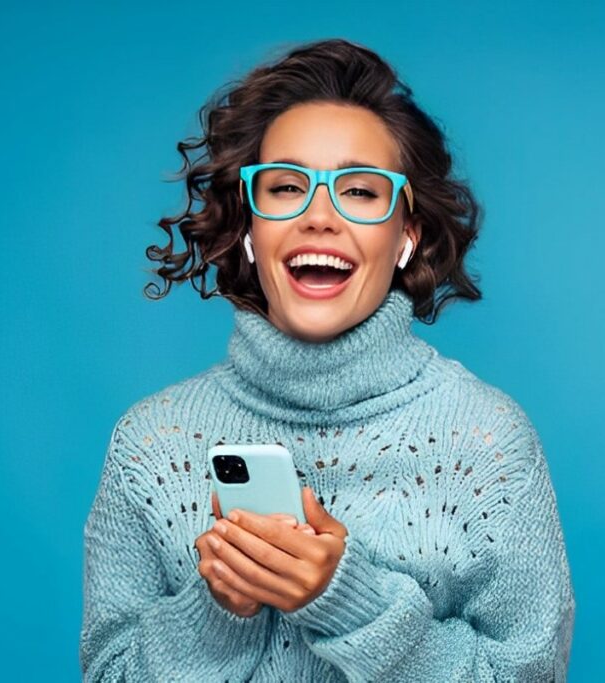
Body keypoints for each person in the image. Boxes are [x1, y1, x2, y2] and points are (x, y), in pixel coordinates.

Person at [80, 37, 575, 682]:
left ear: (408, 233)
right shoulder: (148, 444)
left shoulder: (489, 445)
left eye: (361, 192)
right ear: (249, 227)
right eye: (286, 187)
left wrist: (349, 602)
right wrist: (219, 612)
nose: (320, 216)